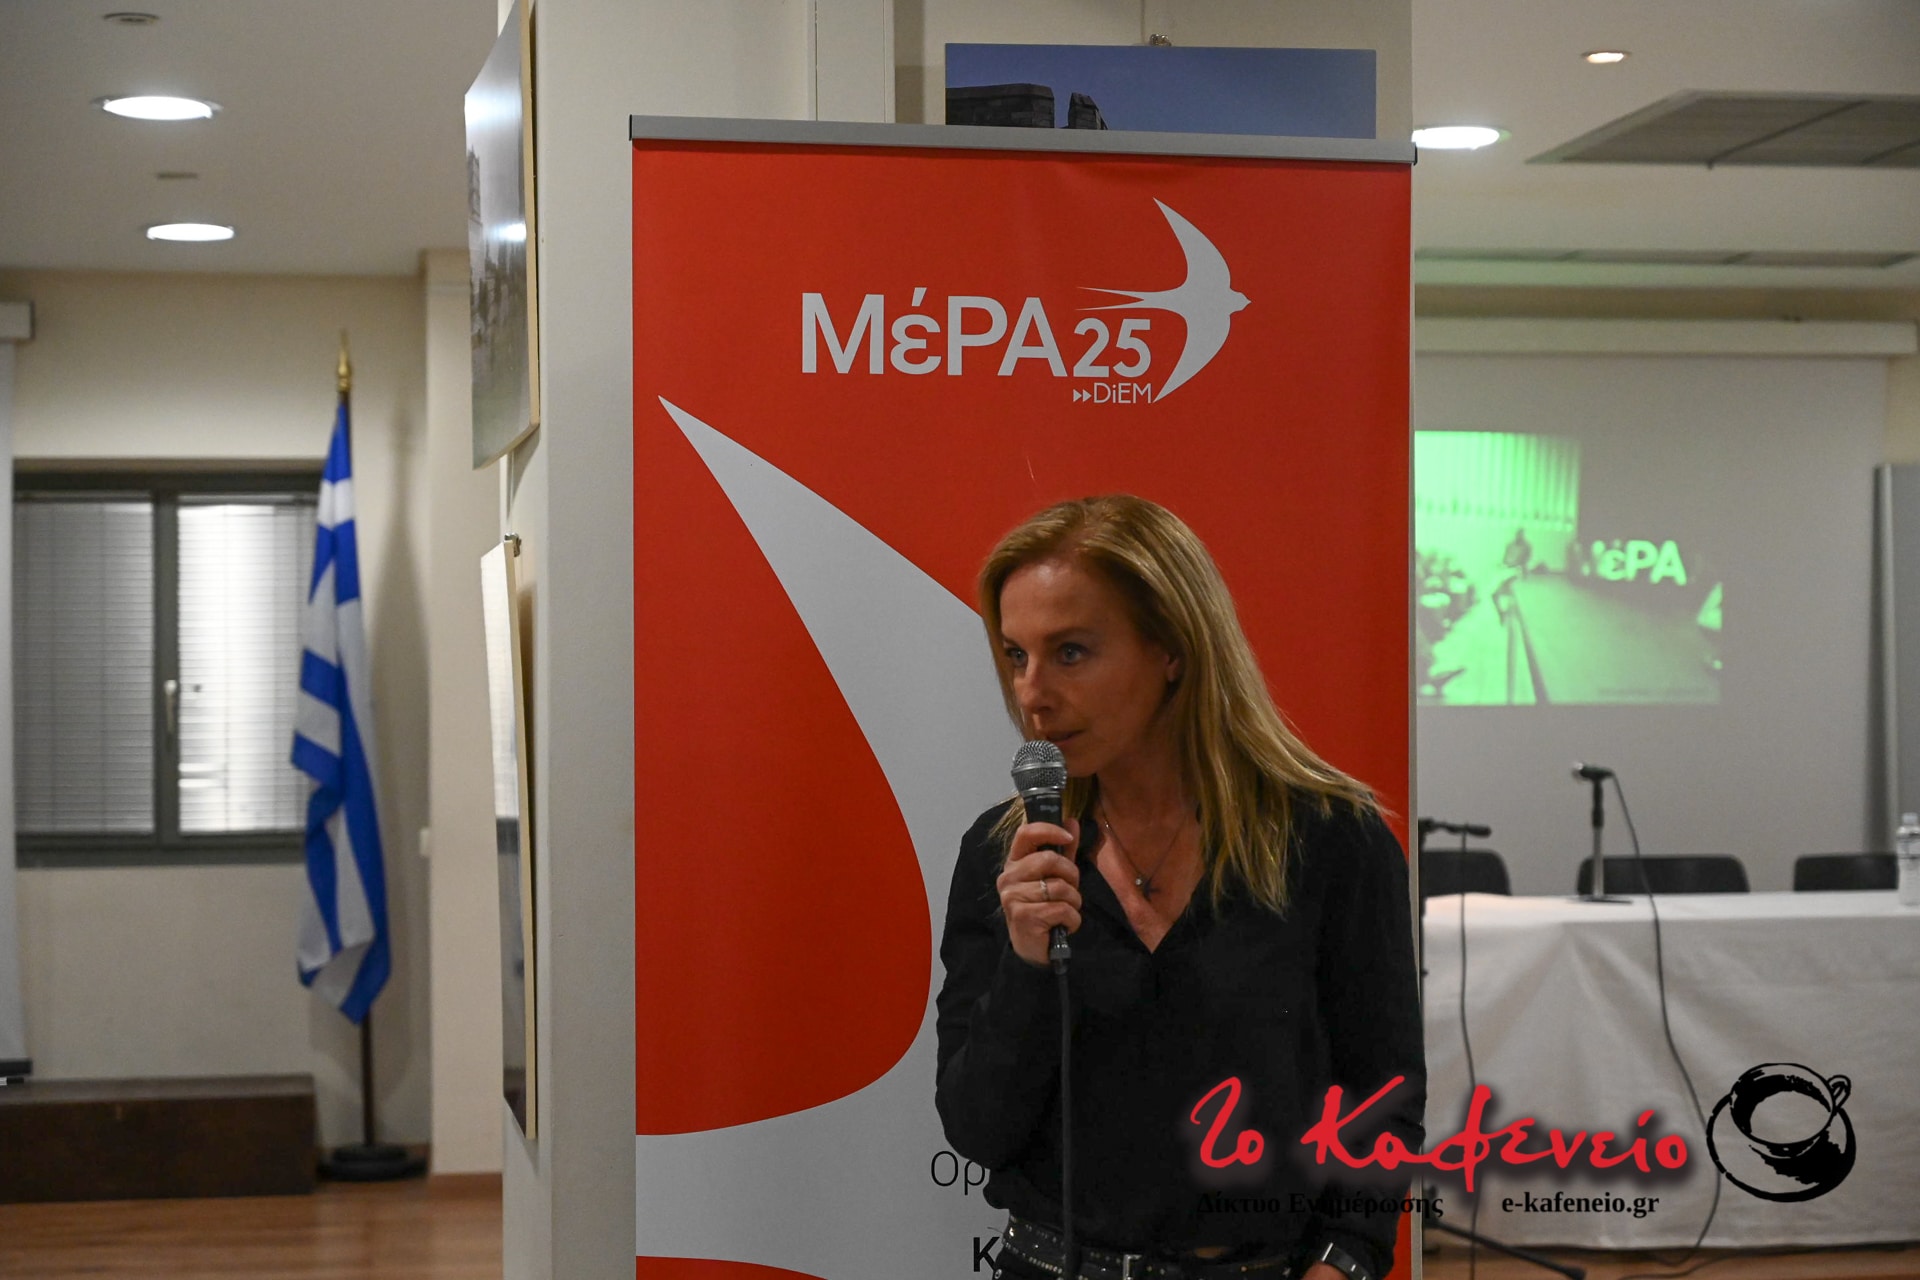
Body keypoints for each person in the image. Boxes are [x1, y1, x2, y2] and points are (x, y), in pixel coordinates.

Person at [935, 495, 1425, 1280]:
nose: (1032, 692)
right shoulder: (1006, 855)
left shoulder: (1333, 841)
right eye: (1016, 655)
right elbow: (978, 1129)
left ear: (1172, 647)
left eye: (1070, 652)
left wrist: (1345, 1263)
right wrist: (1027, 966)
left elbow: (1381, 1100)